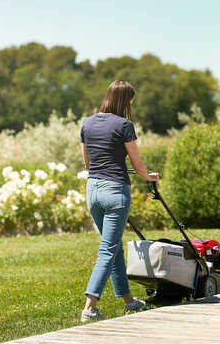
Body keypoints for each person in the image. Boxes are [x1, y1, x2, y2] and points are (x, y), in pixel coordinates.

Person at [80, 80, 159, 322]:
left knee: (112, 248)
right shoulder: (125, 125)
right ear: (125, 101)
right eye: (130, 102)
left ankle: (129, 301)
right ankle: (90, 307)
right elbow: (137, 163)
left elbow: (88, 164)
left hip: (93, 190)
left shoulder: (87, 123)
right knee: (108, 249)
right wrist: (149, 177)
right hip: (115, 192)